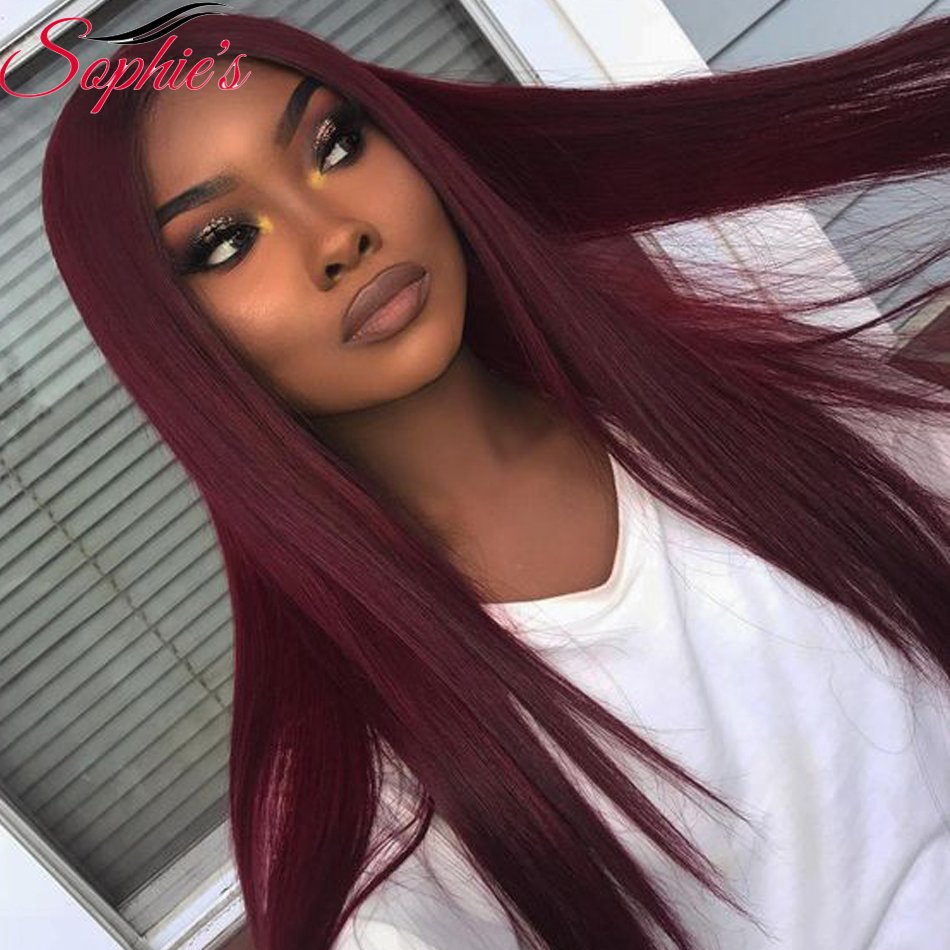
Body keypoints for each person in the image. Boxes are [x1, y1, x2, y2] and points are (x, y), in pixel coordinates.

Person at [41, 12, 950, 950]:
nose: (337, 235)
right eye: (227, 240)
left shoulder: (726, 419)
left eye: (334, 145)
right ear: (168, 337)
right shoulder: (374, 808)